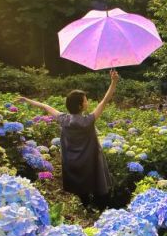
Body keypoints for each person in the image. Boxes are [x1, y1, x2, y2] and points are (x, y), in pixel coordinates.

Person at [18, 69, 119, 208]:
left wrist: (26, 100)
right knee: (96, 183)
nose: (87, 102)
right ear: (80, 105)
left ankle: (85, 205)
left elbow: (45, 106)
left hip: (72, 160)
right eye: (85, 100)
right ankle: (100, 207)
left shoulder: (63, 119)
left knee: (80, 187)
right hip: (90, 160)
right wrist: (114, 81)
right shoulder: (88, 120)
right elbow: (105, 100)